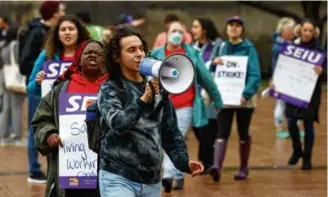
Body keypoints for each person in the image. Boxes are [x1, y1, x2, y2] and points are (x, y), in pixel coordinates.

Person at [97, 25, 204, 197]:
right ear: (117, 57)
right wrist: (143, 101)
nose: (139, 54)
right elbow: (118, 124)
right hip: (117, 176)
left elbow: (170, 133)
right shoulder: (110, 89)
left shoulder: (159, 88)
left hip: (152, 180)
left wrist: (183, 162)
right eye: (131, 50)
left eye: (141, 49)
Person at [151, 20, 223, 192]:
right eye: (174, 30)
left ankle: (167, 175)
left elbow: (205, 78)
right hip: (163, 105)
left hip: (186, 105)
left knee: (174, 136)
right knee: (172, 140)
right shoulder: (155, 54)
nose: (178, 34)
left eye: (181, 31)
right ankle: (179, 174)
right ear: (166, 34)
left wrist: (218, 100)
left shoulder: (191, 53)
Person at [31, 40, 107, 197]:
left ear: (105, 60)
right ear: (78, 60)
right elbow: (41, 120)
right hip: (70, 175)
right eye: (88, 52)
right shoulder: (61, 90)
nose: (92, 54)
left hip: (107, 174)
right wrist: (49, 134)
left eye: (98, 53)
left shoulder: (113, 89)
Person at [26, 15, 90, 184]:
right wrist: (38, 81)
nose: (67, 33)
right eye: (63, 29)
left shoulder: (89, 54)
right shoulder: (47, 56)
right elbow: (30, 87)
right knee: (58, 162)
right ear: (57, 34)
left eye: (71, 29)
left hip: (83, 116)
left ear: (79, 32)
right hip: (56, 118)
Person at [209, 16, 261, 182]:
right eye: (231, 25)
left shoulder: (249, 48)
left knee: (243, 132)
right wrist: (213, 63)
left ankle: (243, 167)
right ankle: (217, 166)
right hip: (225, 97)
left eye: (238, 26)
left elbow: (255, 74)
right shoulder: (221, 47)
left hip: (244, 99)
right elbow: (210, 68)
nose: (234, 28)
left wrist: (246, 94)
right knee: (222, 130)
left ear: (242, 30)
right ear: (227, 28)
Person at [20, 0, 65, 183]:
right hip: (39, 89)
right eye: (61, 10)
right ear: (54, 13)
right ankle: (34, 169)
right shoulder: (37, 32)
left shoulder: (48, 31)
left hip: (53, 90)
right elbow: (25, 61)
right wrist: (44, 73)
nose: (63, 13)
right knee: (36, 127)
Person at [282, 19, 325, 170]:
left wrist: (322, 72)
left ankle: (307, 157)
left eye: (310, 30)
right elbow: (283, 67)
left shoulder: (319, 50)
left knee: (308, 124)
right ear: (300, 30)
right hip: (293, 90)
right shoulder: (291, 47)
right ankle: (297, 150)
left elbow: (324, 72)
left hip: (310, 93)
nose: (307, 33)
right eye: (305, 30)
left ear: (314, 33)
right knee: (291, 121)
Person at [190, 17, 223, 173]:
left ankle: (207, 163)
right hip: (195, 94)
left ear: (204, 29)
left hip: (211, 93)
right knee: (198, 128)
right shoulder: (192, 48)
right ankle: (208, 159)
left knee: (209, 129)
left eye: (196, 27)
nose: (193, 30)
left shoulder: (219, 46)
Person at [0, 24, 26, 146]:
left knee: (6, 108)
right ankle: (17, 136)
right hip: (14, 80)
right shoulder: (15, 45)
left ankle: (3, 135)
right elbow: (19, 61)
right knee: (17, 108)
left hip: (5, 78)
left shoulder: (4, 45)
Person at [271, 17, 295, 139]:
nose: (293, 32)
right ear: (283, 32)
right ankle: (279, 129)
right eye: (290, 30)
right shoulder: (278, 47)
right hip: (280, 79)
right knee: (281, 104)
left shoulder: (290, 44)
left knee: (292, 104)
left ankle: (292, 129)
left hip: (291, 78)